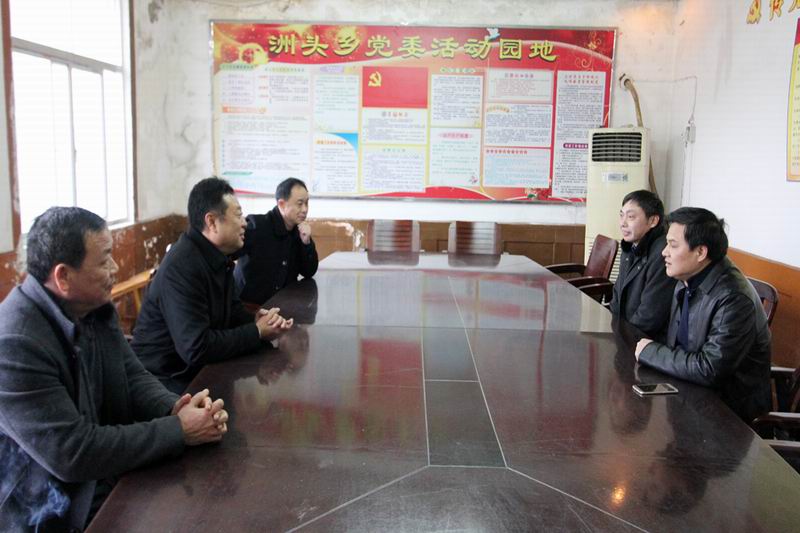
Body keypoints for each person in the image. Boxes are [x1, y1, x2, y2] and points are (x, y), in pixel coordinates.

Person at [0, 207, 229, 532]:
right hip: (48, 507)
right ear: (63, 277)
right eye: (105, 259)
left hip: (103, 475)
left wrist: (176, 407)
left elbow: (132, 375)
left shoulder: (91, 306)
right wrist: (179, 430)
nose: (115, 267)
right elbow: (73, 452)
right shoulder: (15, 342)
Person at [132, 177, 292, 394]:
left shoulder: (217, 256)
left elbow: (232, 312)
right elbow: (196, 348)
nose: (244, 223)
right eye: (238, 215)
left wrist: (258, 321)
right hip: (165, 383)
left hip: (199, 371)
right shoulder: (182, 266)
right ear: (212, 222)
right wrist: (256, 332)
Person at [635, 207, 771, 422]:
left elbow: (710, 369)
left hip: (730, 415)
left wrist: (651, 352)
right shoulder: (686, 278)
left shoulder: (733, 297)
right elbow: (677, 344)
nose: (664, 252)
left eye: (673, 245)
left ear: (700, 252)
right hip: (690, 395)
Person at [234, 177, 318, 306]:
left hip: (283, 306)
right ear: (282, 204)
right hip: (249, 307)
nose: (305, 209)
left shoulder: (300, 231)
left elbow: (309, 272)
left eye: (307, 203)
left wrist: (306, 243)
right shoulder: (256, 226)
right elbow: (227, 255)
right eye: (300, 204)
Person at [609, 190, 674, 340]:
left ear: (653, 221)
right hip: (627, 334)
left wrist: (623, 338)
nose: (623, 223)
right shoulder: (630, 246)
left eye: (631, 217)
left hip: (647, 341)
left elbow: (649, 316)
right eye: (621, 215)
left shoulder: (663, 254)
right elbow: (617, 296)